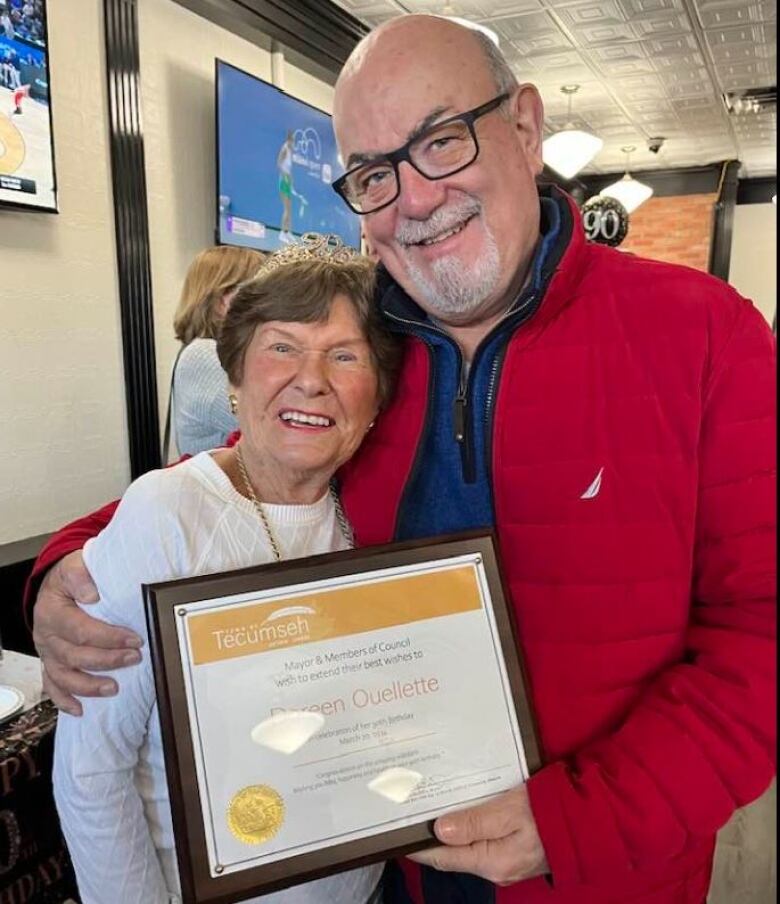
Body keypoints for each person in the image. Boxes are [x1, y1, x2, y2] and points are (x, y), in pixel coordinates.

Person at [30, 14, 776, 904]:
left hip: (600, 874)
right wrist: (65, 565)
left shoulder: (706, 335)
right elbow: (251, 473)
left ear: (526, 126)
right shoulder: (364, 344)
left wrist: (580, 820)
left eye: (441, 140)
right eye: (373, 175)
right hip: (383, 875)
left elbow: (761, 636)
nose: (413, 199)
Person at [52, 235, 400, 904]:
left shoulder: (375, 516)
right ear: (234, 377)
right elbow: (91, 775)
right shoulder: (169, 511)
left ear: (378, 395)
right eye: (281, 346)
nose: (311, 378)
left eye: (345, 355)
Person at [168, 244, 264, 457]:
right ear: (223, 301)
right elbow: (268, 425)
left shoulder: (218, 352)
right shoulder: (204, 355)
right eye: (258, 293)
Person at [277, 131, 295, 244]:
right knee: (286, 209)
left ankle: (288, 232)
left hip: (288, 181)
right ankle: (282, 233)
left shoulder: (290, 150)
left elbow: (289, 170)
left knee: (289, 209)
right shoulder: (284, 148)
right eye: (292, 140)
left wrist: (291, 183)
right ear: (289, 139)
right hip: (283, 181)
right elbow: (279, 163)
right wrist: (285, 177)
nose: (294, 142)